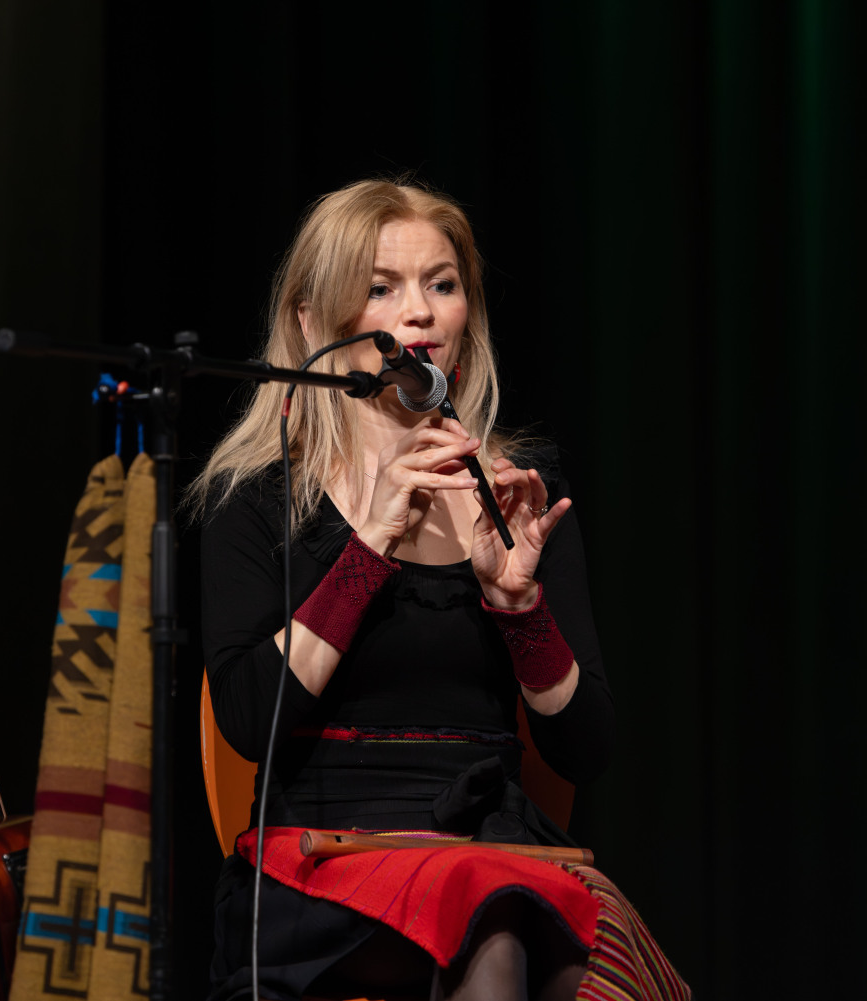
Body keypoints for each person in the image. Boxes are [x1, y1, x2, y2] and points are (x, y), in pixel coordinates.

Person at [193, 178, 687, 1000]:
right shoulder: (255, 500)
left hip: (495, 847)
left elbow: (585, 749)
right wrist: (370, 544)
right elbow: (247, 719)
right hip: (319, 863)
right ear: (312, 322)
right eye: (381, 288)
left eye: (442, 284)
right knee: (496, 924)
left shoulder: (519, 493)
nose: (419, 312)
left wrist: (518, 607)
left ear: (467, 317)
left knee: (568, 936)